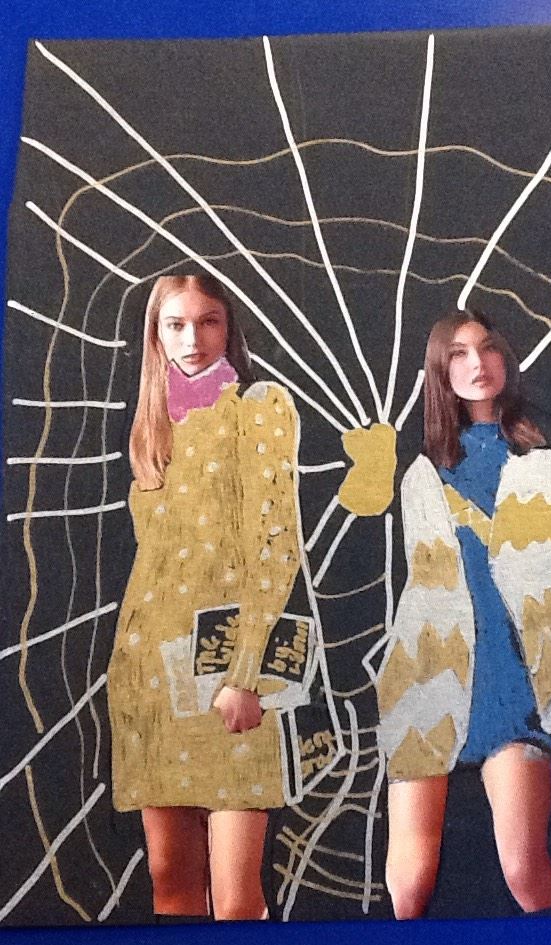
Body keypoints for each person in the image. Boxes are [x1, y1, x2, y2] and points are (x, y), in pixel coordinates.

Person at [373, 310, 551, 918]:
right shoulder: (418, 469)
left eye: (486, 348)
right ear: (440, 371)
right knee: (409, 882)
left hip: (516, 685)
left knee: (524, 869)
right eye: (458, 354)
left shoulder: (549, 455)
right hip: (430, 682)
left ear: (505, 357)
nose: (476, 364)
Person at [107, 274, 301, 920]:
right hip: (149, 676)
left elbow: (276, 547)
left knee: (238, 897)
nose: (192, 338)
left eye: (208, 321)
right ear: (155, 336)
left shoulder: (258, 409)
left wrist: (246, 675)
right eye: (176, 324)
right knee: (170, 883)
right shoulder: (151, 430)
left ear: (229, 328)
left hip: (228, 675)